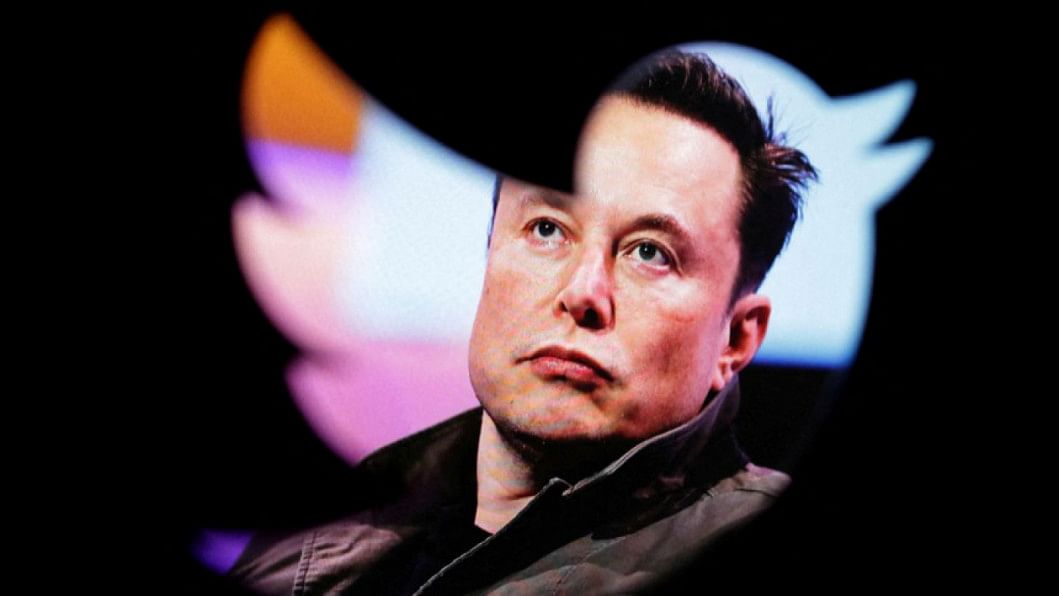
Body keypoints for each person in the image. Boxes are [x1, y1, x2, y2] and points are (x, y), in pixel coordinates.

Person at [228, 49, 818, 595]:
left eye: (649, 252)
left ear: (736, 339)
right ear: (488, 253)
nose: (583, 293)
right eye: (547, 229)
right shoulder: (308, 542)